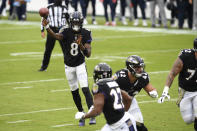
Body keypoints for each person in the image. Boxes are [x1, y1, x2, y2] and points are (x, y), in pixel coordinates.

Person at [42, 11, 95, 126]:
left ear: (81, 22)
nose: (76, 24)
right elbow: (56, 36)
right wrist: (47, 27)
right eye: (74, 22)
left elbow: (88, 54)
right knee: (74, 91)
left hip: (80, 64)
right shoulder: (66, 31)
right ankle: (81, 114)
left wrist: (80, 45)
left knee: (85, 89)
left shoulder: (86, 32)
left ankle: (92, 114)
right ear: (70, 22)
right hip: (68, 66)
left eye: (77, 22)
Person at [75, 63, 137, 131]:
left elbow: (97, 111)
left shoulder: (99, 86)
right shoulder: (114, 83)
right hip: (124, 121)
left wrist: (83, 116)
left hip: (122, 125)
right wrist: (122, 112)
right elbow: (128, 99)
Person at [158, 38, 197, 131]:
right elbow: (172, 73)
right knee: (188, 120)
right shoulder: (185, 57)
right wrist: (165, 91)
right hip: (185, 91)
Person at [114, 55, 158, 131]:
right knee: (127, 125)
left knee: (139, 125)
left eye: (140, 67)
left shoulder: (143, 77)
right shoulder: (120, 77)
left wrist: (153, 92)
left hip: (130, 101)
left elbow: (149, 88)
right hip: (117, 103)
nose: (140, 70)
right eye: (137, 67)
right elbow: (108, 86)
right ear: (130, 67)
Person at [38, 0, 69, 71]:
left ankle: (69, 65)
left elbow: (68, 19)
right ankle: (44, 67)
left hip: (62, 31)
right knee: (48, 50)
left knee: (66, 50)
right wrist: (42, 30)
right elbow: (43, 19)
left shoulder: (65, 8)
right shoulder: (49, 7)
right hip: (51, 30)